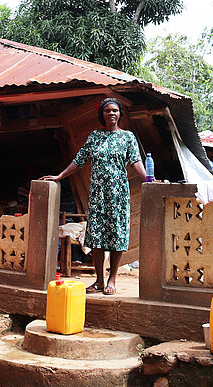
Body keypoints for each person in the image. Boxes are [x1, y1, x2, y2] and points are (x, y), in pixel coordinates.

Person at [41, 98, 147, 294]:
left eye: (115, 110)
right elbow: (79, 160)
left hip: (118, 195)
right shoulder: (95, 136)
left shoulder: (127, 137)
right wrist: (60, 176)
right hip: (97, 194)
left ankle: (112, 280)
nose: (111, 114)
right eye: (107, 111)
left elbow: (136, 162)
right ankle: (99, 280)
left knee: (117, 235)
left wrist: (149, 180)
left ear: (120, 114)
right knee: (96, 236)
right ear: (102, 115)